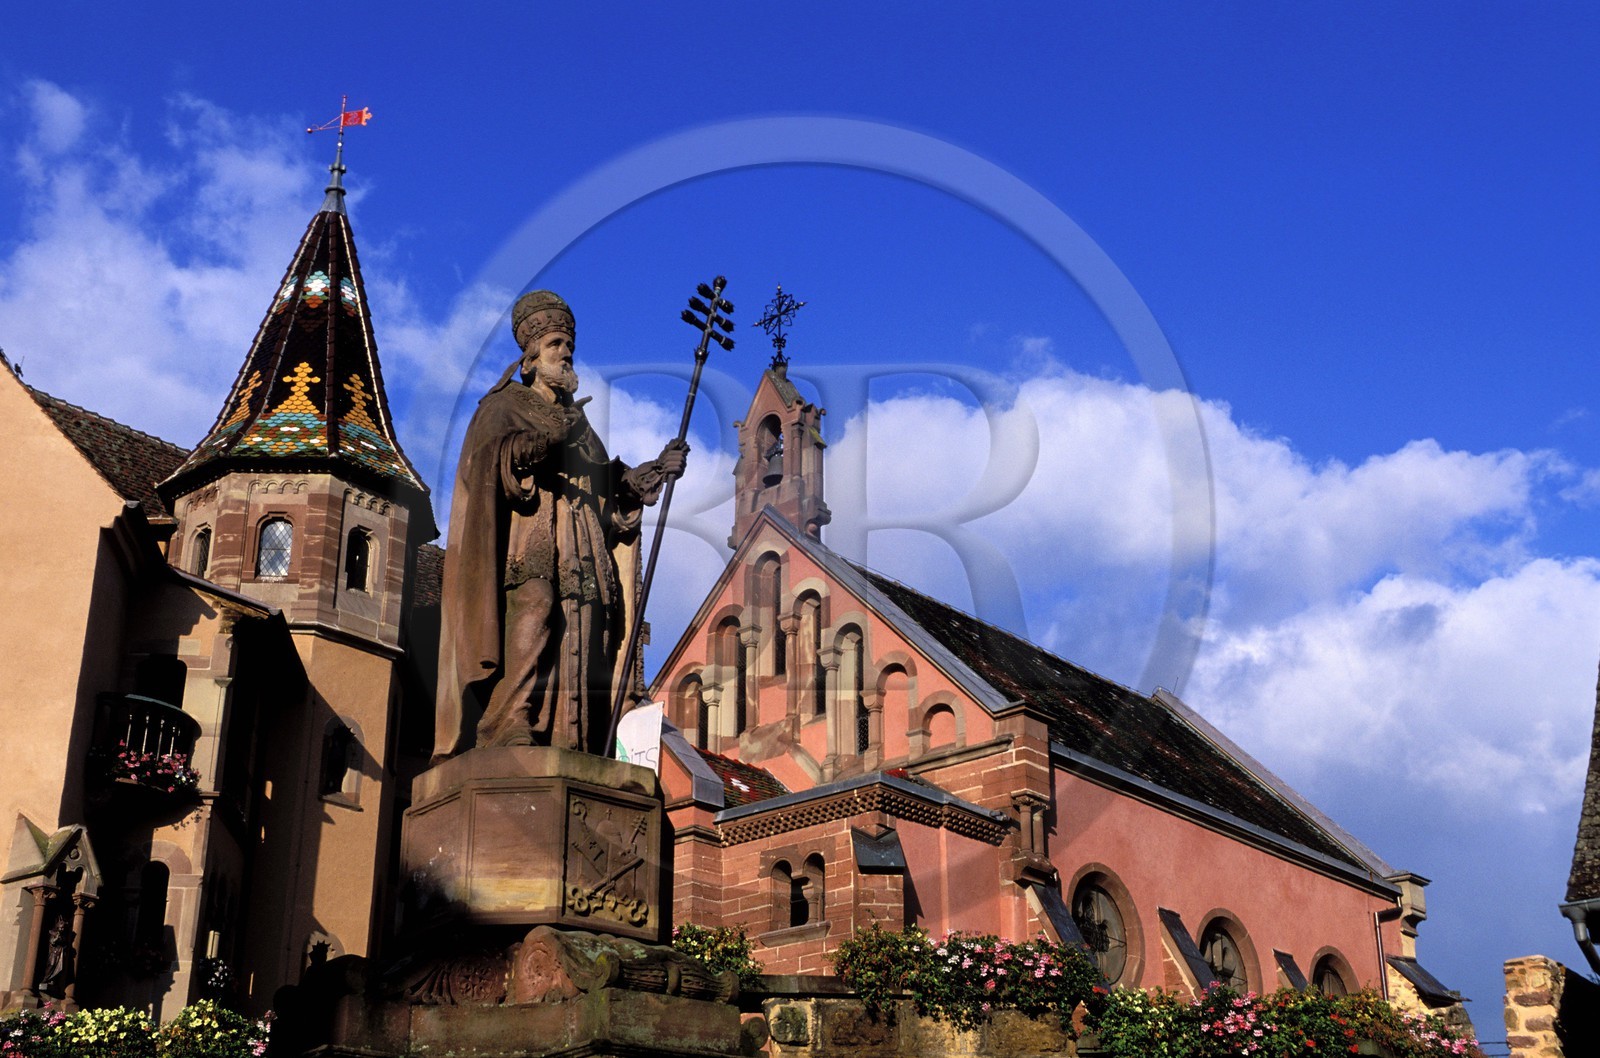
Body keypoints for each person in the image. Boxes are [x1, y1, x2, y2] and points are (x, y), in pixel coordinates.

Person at [434, 291, 686, 759]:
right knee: (535, 606)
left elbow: (609, 487)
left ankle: (573, 742)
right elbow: (491, 460)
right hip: (528, 535)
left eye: (569, 346)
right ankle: (507, 722)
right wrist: (549, 439)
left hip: (581, 543)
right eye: (555, 345)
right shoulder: (503, 405)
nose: (566, 353)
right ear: (530, 357)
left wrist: (655, 469)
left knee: (583, 629)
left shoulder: (578, 421)